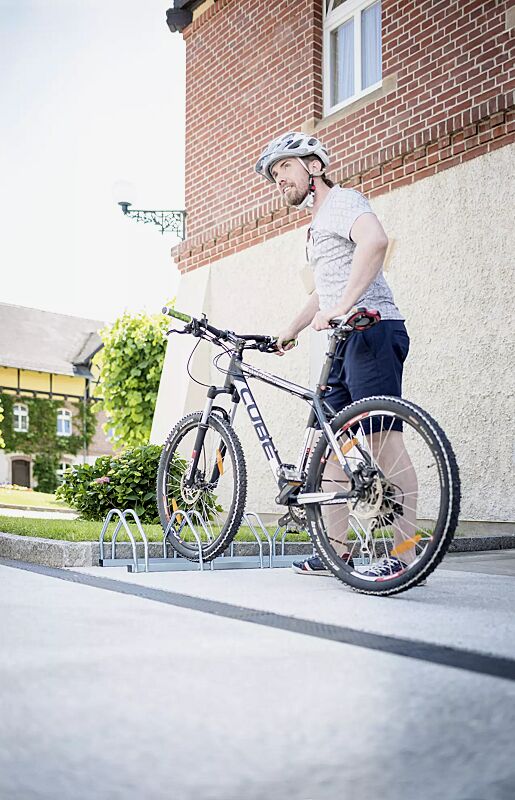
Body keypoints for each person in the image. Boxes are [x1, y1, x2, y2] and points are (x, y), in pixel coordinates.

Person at [255, 132, 419, 579]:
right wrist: (289, 329)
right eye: (273, 175)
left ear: (314, 167)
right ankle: (336, 553)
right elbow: (323, 293)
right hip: (345, 337)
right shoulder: (314, 226)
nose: (278, 179)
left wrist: (343, 307)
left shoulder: (343, 200)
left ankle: (405, 555)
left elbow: (376, 242)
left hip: (372, 328)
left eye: (284, 168)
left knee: (385, 444)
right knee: (333, 449)